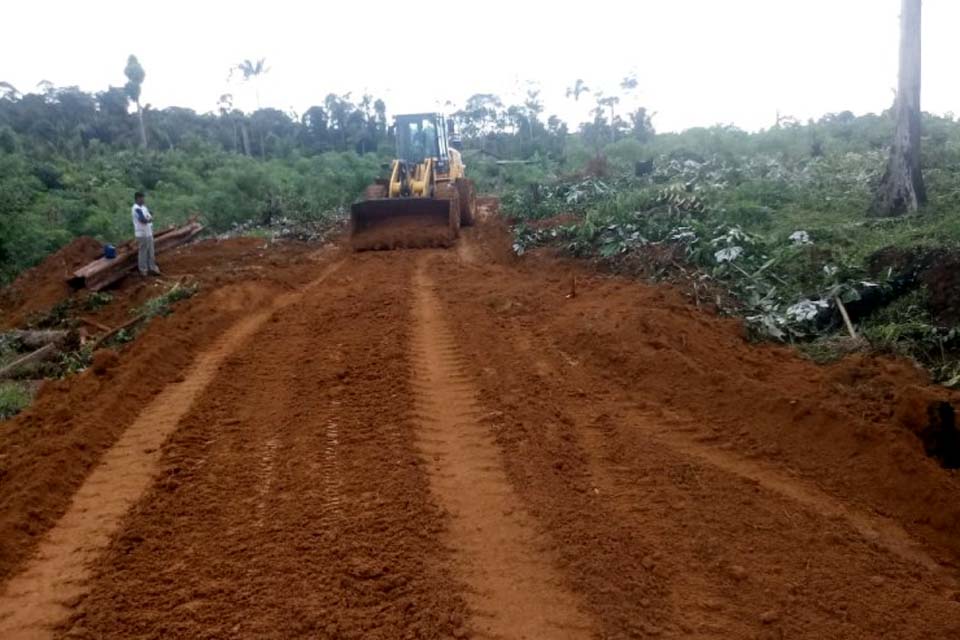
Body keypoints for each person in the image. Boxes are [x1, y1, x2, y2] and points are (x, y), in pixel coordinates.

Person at [131, 192, 161, 276]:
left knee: (151, 251)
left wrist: (149, 218)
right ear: (137, 199)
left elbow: (149, 215)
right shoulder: (136, 208)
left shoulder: (143, 208)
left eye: (143, 198)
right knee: (143, 251)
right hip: (141, 234)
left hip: (148, 232)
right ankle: (143, 269)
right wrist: (149, 219)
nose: (143, 200)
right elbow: (143, 219)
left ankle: (152, 267)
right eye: (141, 198)